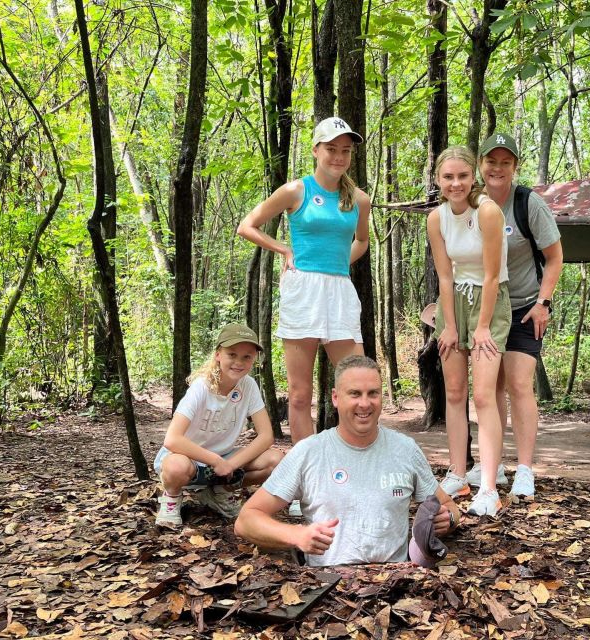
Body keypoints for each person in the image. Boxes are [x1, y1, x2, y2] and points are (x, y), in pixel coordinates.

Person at [234, 356, 460, 567]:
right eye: (354, 394)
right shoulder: (310, 452)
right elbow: (246, 520)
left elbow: (449, 506)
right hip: (328, 585)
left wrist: (447, 519)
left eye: (373, 393)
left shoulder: (405, 449)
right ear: (335, 397)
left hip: (395, 580)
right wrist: (296, 535)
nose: (365, 403)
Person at [237, 116, 370, 445]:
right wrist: (284, 250)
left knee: (359, 385)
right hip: (303, 289)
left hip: (339, 290)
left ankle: (354, 462)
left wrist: (337, 263)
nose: (338, 157)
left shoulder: (359, 199)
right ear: (316, 150)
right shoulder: (296, 190)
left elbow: (362, 242)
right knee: (299, 394)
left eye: (345, 151)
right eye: (331, 149)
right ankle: (305, 475)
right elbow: (247, 226)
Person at [467, 133, 563, 497]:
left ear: (514, 167)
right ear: (481, 164)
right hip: (485, 309)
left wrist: (544, 302)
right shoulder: (471, 202)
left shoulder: (528, 204)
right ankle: (494, 467)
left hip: (524, 306)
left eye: (505, 162)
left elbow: (554, 257)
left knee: (520, 384)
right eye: (492, 161)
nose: (497, 168)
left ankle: (525, 468)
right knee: (490, 389)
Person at [427, 146, 511, 517]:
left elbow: (492, 275)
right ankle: (458, 472)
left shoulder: (487, 212)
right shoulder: (437, 218)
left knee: (483, 395)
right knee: (455, 391)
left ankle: (489, 486)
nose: (455, 183)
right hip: (455, 302)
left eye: (462, 176)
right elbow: (445, 275)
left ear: (472, 177)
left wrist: (480, 327)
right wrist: (447, 325)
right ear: (438, 180)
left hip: (489, 304)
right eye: (448, 177)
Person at [154, 323, 284, 527]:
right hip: (189, 458)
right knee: (176, 467)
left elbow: (266, 436)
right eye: (232, 354)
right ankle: (171, 498)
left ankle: (220, 492)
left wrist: (230, 464)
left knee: (276, 460)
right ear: (218, 355)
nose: (239, 362)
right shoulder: (202, 387)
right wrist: (215, 460)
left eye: (247, 357)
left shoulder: (248, 385)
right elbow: (172, 439)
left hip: (225, 459)